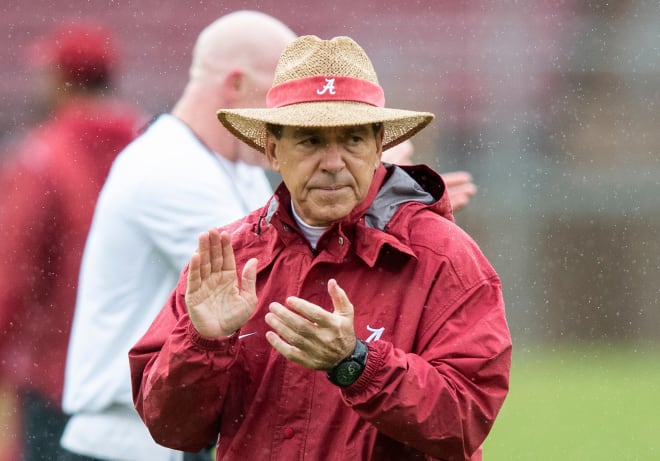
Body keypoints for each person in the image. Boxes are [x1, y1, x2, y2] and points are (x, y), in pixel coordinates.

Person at [129, 35, 512, 460]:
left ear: (379, 147)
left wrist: (357, 364)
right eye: (311, 141)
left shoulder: (444, 257)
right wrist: (205, 343)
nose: (333, 163)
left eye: (351, 139)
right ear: (273, 150)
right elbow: (172, 428)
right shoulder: (230, 258)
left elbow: (465, 420)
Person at [59, 11, 296, 461]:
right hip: (125, 444)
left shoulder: (228, 165)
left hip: (156, 437)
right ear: (236, 84)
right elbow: (272, 289)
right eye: (282, 97)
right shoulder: (168, 167)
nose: (294, 117)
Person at [0, 21, 146, 461]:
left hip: (59, 373)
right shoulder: (148, 144)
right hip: (142, 373)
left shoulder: (42, 156)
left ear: (62, 79)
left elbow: (13, 271)